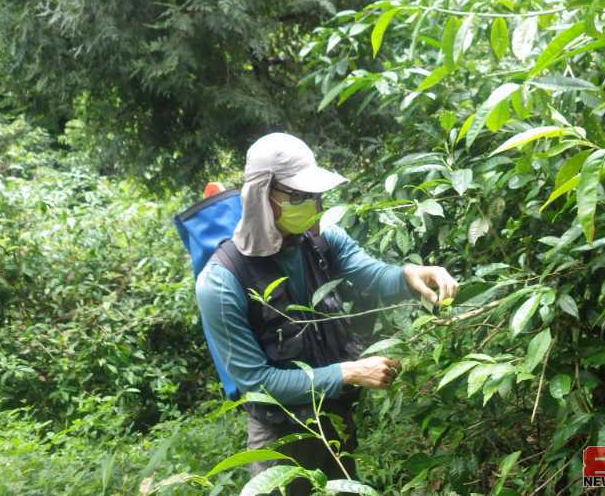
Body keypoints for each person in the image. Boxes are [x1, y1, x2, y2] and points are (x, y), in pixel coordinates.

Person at [194, 132, 458, 493]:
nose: (315, 206)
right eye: (300, 197)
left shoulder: (321, 240)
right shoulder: (221, 284)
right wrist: (349, 372)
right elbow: (258, 384)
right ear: (262, 197)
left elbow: (374, 276)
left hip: (332, 420)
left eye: (316, 195)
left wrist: (413, 275)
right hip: (279, 435)